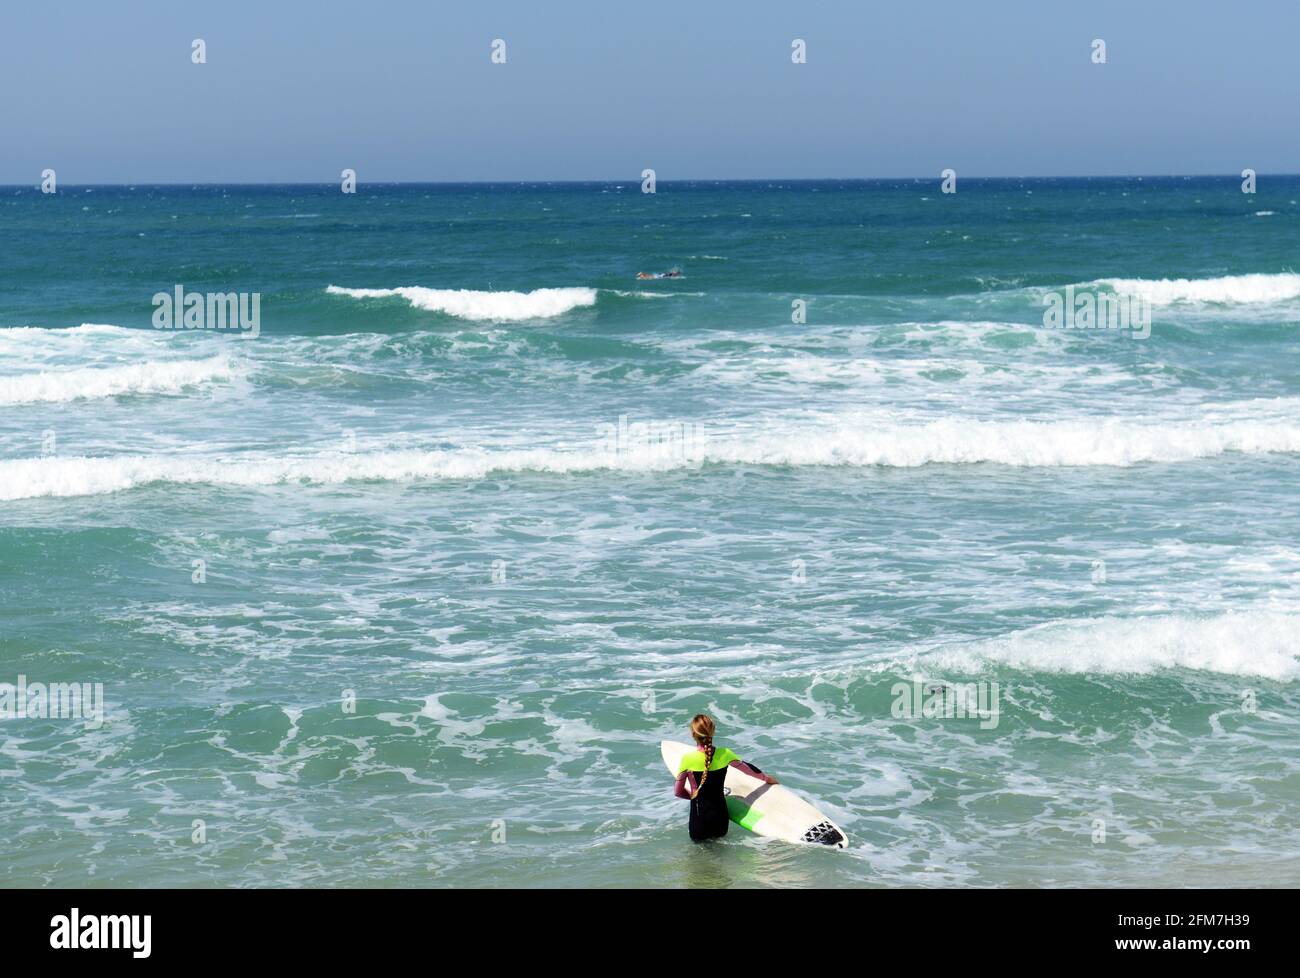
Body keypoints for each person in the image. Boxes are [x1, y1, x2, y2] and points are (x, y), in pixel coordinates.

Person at [672, 714, 777, 842]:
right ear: (713, 732)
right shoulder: (725, 754)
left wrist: (694, 797)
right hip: (720, 818)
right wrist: (766, 779)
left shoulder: (687, 760)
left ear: (693, 734)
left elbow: (678, 792)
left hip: (699, 819)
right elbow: (749, 770)